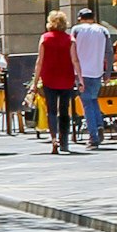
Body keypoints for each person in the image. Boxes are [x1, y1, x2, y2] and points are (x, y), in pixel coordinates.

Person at [38, 9, 79, 154]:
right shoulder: (70, 39)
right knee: (64, 110)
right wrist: (80, 79)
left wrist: (35, 81)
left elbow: (40, 61)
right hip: (66, 78)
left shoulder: (45, 38)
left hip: (49, 77)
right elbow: (75, 60)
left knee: (51, 110)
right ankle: (64, 141)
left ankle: (54, 138)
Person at [70, 8, 111, 149]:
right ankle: (99, 126)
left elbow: (72, 50)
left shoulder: (76, 30)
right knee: (93, 100)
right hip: (97, 71)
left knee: (87, 104)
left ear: (80, 18)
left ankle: (93, 137)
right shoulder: (103, 30)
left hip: (82, 72)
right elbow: (109, 52)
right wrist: (108, 73)